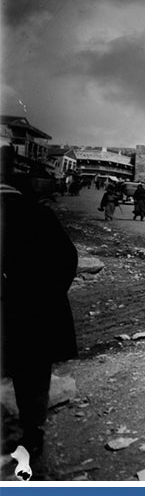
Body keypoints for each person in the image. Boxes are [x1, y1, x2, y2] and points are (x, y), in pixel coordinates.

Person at [0, 147, 78, 471]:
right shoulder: (39, 214)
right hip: (33, 314)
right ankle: (32, 435)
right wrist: (47, 297)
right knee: (31, 376)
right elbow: (67, 259)